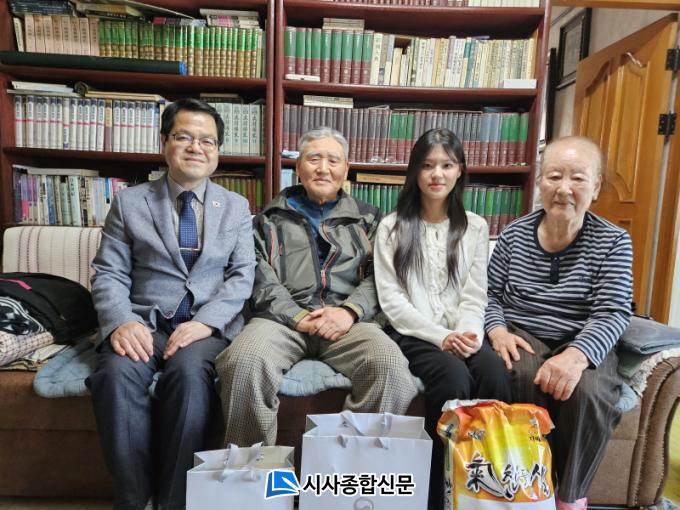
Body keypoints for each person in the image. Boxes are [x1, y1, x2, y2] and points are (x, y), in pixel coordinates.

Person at [87, 98, 256, 510]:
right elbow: (109, 272)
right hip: (142, 322)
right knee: (115, 376)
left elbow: (242, 276)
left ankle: (173, 500)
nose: (196, 147)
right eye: (184, 137)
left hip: (204, 327)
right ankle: (134, 499)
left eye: (208, 141)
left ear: (217, 151)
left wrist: (207, 323)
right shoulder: (130, 202)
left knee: (190, 378)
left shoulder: (236, 207)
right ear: (165, 142)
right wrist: (120, 321)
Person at [216, 127, 417, 447]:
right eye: (314, 159)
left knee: (391, 368)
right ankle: (252, 467)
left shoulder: (369, 219)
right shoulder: (267, 219)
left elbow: (383, 275)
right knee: (243, 361)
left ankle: (348, 462)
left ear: (346, 169)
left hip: (349, 323)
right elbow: (259, 275)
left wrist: (350, 311)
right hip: (281, 321)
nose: (323, 168)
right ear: (298, 167)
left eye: (333, 160)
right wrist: (295, 316)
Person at [485, 136, 633, 510]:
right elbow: (489, 295)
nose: (564, 189)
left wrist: (577, 356)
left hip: (584, 333)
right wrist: (497, 330)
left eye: (578, 178)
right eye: (554, 176)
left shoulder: (614, 241)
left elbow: (613, 311)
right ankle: (527, 491)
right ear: (540, 182)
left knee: (589, 393)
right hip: (524, 331)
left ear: (595, 187)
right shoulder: (514, 235)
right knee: (519, 377)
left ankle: (569, 497)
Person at [373, 128, 512, 510]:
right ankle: (439, 494)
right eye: (428, 165)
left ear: (460, 170)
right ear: (414, 172)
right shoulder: (391, 227)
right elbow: (392, 302)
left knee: (495, 373)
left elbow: (475, 294)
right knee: (452, 378)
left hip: (463, 332)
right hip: (414, 333)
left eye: (447, 165)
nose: (437, 174)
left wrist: (467, 335)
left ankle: (489, 489)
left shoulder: (475, 227)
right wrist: (441, 337)